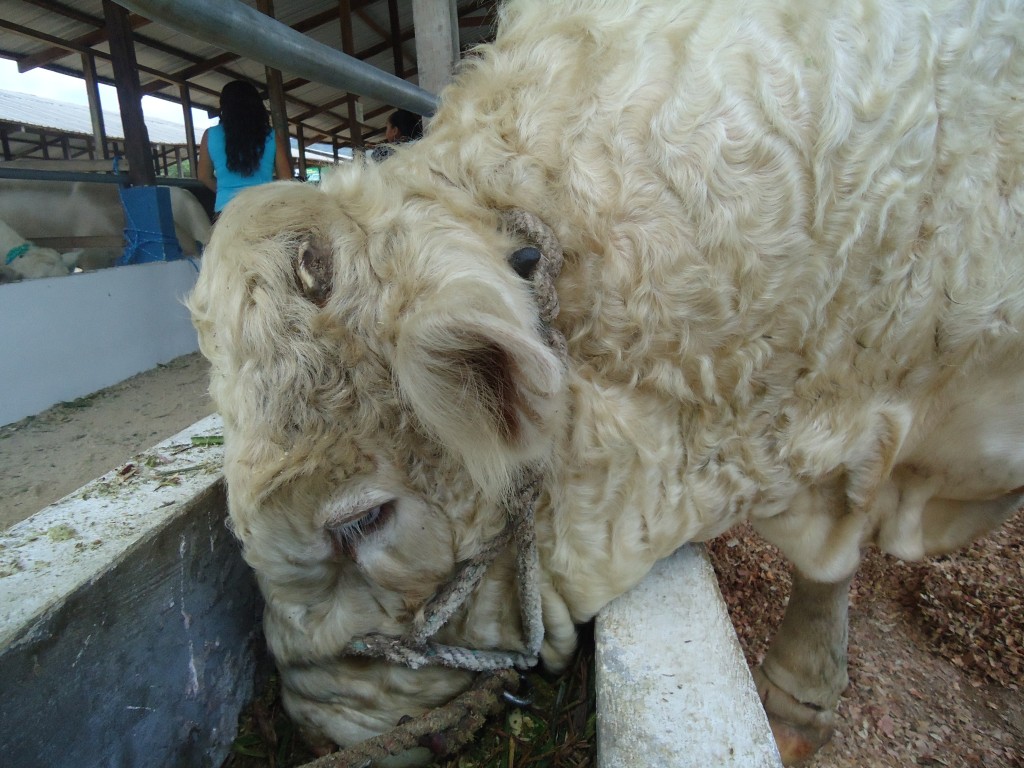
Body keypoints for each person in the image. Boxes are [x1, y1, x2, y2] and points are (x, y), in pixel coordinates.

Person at [198, 80, 292, 214]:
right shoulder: (271, 136)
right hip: (263, 209)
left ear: (224, 106)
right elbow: (286, 178)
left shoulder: (210, 135)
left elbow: (203, 176)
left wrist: (226, 191)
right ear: (256, 105)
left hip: (226, 211)